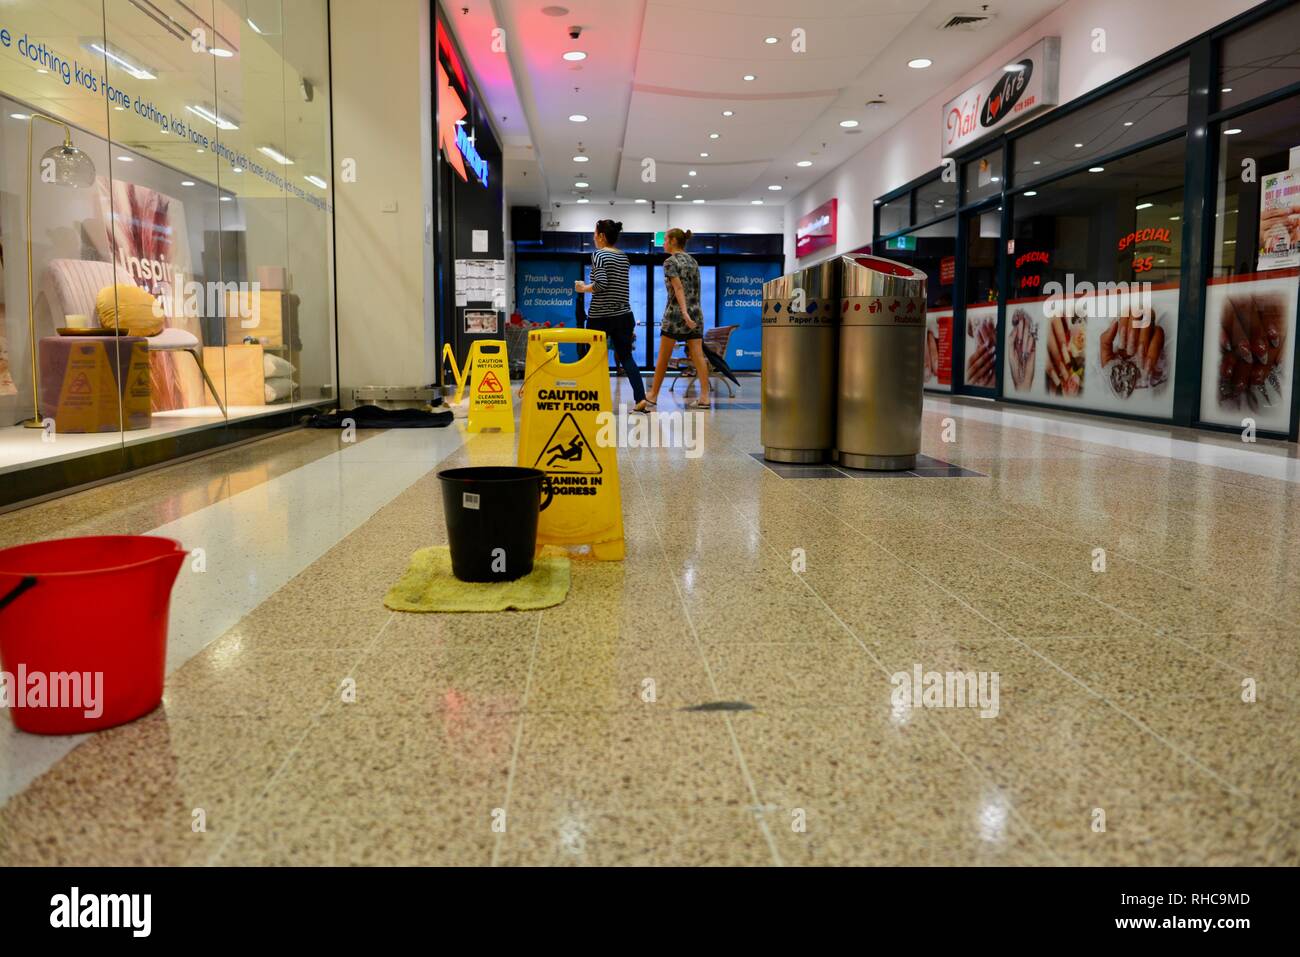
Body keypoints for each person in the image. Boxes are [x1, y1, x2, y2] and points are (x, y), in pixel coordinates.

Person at [574, 219, 647, 408]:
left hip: (600, 317)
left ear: (602, 236)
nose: (593, 237)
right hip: (624, 315)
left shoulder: (598, 255)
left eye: (594, 233)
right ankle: (640, 399)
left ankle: (588, 397)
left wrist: (583, 288)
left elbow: (600, 285)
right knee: (626, 357)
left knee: (592, 357)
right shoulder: (623, 257)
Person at [643, 228, 710, 411]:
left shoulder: (670, 262)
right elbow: (695, 290)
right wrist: (691, 313)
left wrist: (684, 313)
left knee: (663, 357)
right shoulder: (693, 261)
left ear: (673, 241)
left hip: (676, 314)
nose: (663, 243)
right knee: (698, 354)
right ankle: (704, 397)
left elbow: (678, 289)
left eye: (665, 240)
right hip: (697, 313)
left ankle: (653, 396)